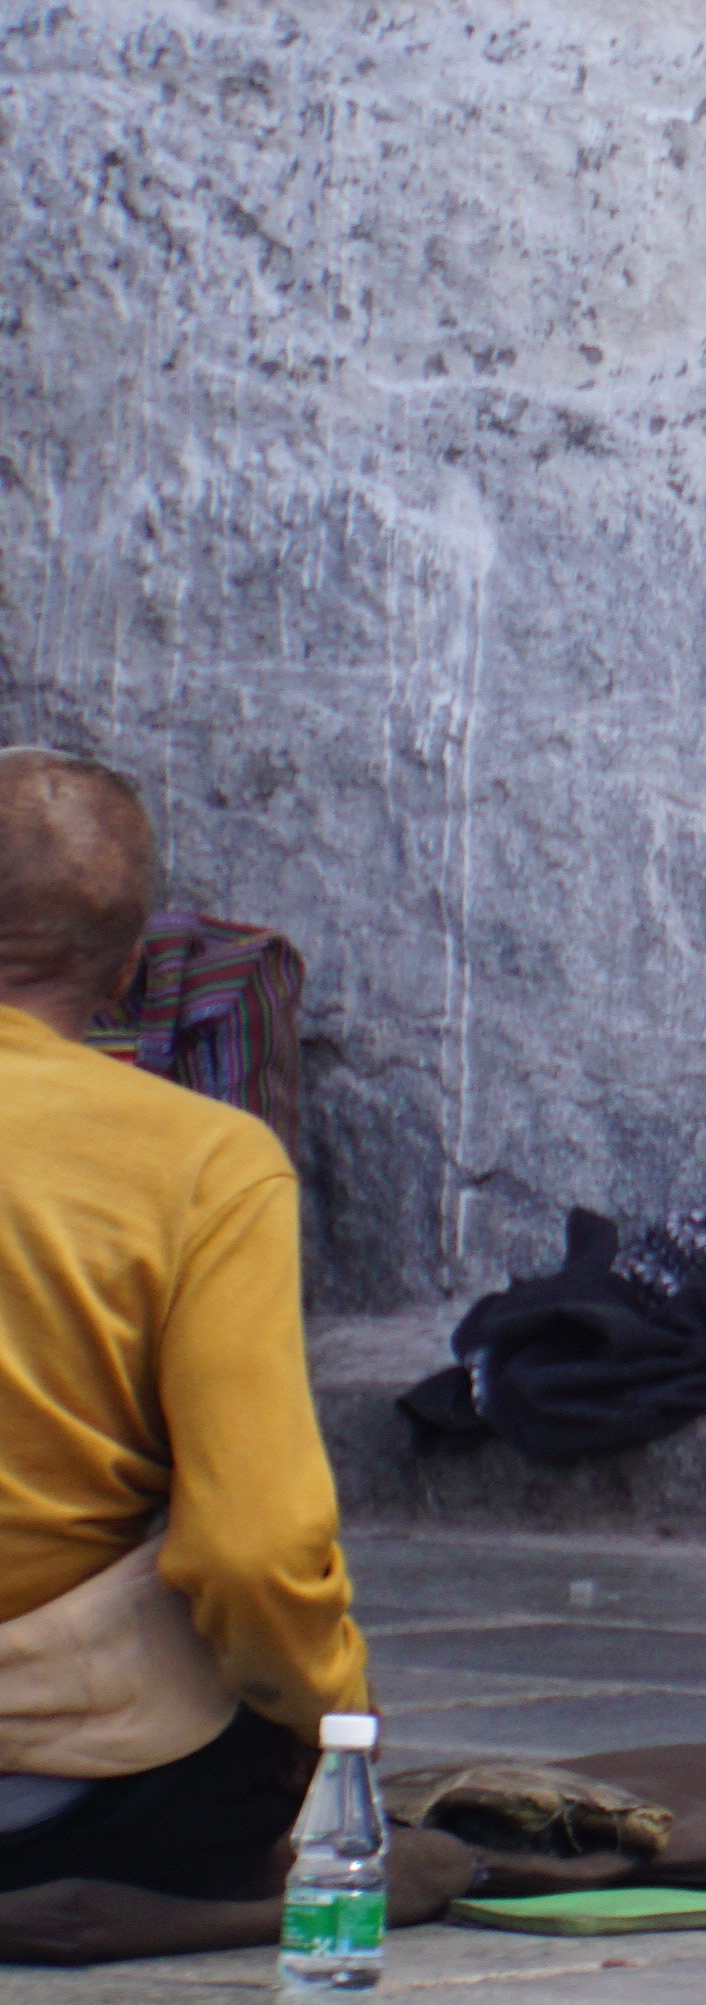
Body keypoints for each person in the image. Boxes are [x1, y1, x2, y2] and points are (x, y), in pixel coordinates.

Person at [0, 750, 370, 1901]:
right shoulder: (205, 1163)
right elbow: (252, 1551)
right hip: (64, 1775)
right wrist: (339, 1721)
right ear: (129, 962)